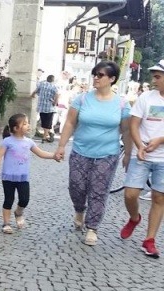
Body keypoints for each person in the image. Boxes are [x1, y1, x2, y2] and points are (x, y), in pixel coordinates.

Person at [54, 61, 131, 246]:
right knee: (77, 186)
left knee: (98, 191)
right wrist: (61, 146)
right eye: (95, 74)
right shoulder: (81, 99)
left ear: (112, 79)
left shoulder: (121, 104)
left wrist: (128, 154)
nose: (95, 77)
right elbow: (70, 123)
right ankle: (79, 209)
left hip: (107, 154)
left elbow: (126, 131)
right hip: (81, 151)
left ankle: (92, 227)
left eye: (100, 75)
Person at [119, 59, 164, 258]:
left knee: (159, 197)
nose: (154, 80)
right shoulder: (146, 98)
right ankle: (134, 217)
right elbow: (134, 125)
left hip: (163, 158)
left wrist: (161, 140)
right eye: (154, 76)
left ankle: (149, 240)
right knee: (130, 194)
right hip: (142, 154)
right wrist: (139, 146)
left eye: (158, 76)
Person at [0, 114, 59, 234]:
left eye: (28, 123)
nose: (28, 125)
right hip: (8, 177)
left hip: (23, 177)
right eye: (25, 124)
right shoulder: (7, 141)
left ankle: (18, 212)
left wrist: (53, 156)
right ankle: (6, 223)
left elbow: (41, 153)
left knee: (24, 199)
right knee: (8, 199)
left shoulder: (29, 142)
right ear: (16, 128)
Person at [31, 74, 59, 143]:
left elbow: (36, 91)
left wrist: (32, 95)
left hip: (42, 107)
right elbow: (57, 95)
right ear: (53, 80)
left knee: (43, 122)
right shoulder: (54, 86)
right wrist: (55, 103)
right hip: (50, 107)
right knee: (48, 122)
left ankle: (46, 135)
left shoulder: (42, 84)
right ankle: (45, 136)